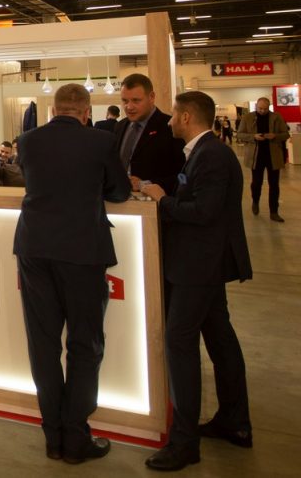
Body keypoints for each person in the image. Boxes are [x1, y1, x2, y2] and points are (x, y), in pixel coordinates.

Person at [13, 83, 130, 465]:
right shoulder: (101, 141)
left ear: (53, 109)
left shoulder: (28, 140)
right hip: (82, 252)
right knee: (84, 343)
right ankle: (76, 436)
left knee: (43, 345)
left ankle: (53, 436)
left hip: (34, 248)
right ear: (86, 111)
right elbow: (119, 191)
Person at [140, 92, 253, 471]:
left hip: (198, 266)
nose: (170, 121)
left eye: (174, 115)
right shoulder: (204, 153)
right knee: (220, 339)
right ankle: (234, 422)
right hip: (202, 264)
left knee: (179, 343)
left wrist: (162, 199)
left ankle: (185, 442)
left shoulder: (212, 155)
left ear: (187, 116)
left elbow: (204, 212)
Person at [114, 73, 184, 194]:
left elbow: (183, 177)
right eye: (125, 101)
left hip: (156, 202)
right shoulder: (120, 126)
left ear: (151, 97)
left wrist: (145, 184)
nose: (129, 107)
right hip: (120, 200)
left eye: (136, 100)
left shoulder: (170, 127)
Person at [237, 97, 289, 223]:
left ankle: (274, 212)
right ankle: (255, 201)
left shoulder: (276, 117)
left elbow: (286, 134)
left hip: (273, 156)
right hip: (256, 156)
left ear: (269, 107)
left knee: (274, 184)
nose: (262, 111)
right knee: (256, 183)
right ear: (256, 106)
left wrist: (275, 136)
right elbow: (239, 134)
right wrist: (253, 137)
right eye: (260, 108)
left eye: (265, 109)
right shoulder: (248, 117)